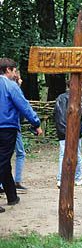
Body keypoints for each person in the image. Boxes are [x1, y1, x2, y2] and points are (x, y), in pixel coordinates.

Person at [0, 58, 42, 213]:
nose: (16, 73)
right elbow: (23, 105)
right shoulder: (10, 86)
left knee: (4, 162)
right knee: (3, 161)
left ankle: (12, 196)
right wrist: (36, 123)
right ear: (8, 70)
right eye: (15, 70)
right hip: (6, 127)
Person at [53, 79, 82, 188]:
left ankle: (62, 179)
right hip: (74, 132)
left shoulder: (60, 98)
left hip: (63, 132)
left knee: (64, 154)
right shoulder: (80, 99)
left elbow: (57, 116)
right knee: (77, 154)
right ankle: (76, 178)